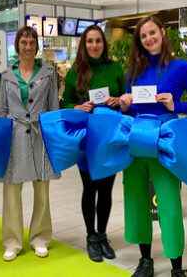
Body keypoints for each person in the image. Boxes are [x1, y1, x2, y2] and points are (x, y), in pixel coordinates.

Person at [119, 16, 187, 277]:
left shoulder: (181, 68)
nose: (148, 39)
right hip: (136, 142)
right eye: (143, 36)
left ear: (162, 32)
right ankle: (145, 260)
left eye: (152, 33)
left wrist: (176, 105)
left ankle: (176, 267)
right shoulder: (132, 71)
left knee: (169, 202)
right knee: (135, 199)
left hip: (165, 142)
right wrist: (126, 104)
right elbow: (131, 108)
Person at [0, 26, 59, 261]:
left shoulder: (48, 73)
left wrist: (54, 135)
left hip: (40, 135)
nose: (28, 46)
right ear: (17, 45)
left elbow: (53, 108)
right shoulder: (6, 75)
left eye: (32, 42)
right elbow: (1, 108)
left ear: (37, 45)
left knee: (42, 190)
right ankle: (12, 241)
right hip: (14, 137)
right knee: (12, 190)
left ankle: (40, 237)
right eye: (24, 42)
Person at [61, 25, 125, 262]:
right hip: (86, 140)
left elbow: (127, 99)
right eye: (90, 41)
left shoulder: (116, 68)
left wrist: (119, 100)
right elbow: (64, 103)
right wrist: (76, 107)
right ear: (84, 44)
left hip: (110, 138)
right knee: (89, 188)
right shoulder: (76, 71)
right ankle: (90, 236)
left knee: (106, 189)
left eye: (98, 41)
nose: (94, 45)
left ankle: (102, 235)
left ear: (103, 43)